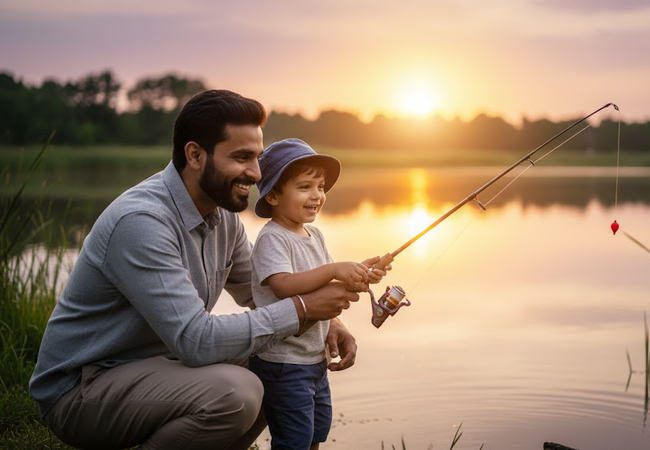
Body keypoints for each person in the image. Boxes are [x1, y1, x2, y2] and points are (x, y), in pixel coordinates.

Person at [28, 90, 380, 450]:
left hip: (158, 365)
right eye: (241, 157)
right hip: (84, 389)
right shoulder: (142, 222)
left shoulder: (223, 214)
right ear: (195, 155)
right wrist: (305, 309)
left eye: (257, 157)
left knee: (274, 368)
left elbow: (256, 290)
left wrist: (329, 322)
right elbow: (195, 341)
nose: (256, 173)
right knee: (238, 393)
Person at [247, 138, 387, 450]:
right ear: (272, 195)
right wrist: (336, 270)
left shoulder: (315, 235)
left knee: (315, 434)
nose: (317, 195)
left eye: (321, 186)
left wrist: (357, 275)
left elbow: (322, 286)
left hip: (314, 360)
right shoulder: (272, 238)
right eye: (305, 187)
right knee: (293, 441)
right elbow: (283, 284)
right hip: (283, 364)